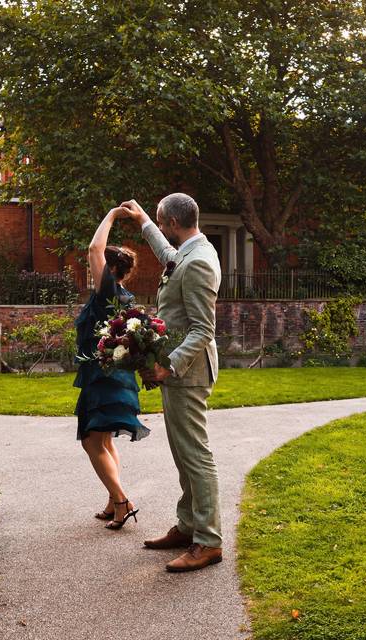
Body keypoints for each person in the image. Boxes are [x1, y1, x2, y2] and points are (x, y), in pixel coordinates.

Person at [120, 194, 223, 573]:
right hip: (179, 374)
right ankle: (188, 526)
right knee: (183, 454)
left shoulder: (197, 263)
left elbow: (202, 329)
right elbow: (167, 253)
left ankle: (208, 541)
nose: (163, 231)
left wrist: (168, 368)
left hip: (188, 374)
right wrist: (145, 220)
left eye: (163, 224)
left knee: (195, 455)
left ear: (174, 223)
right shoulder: (189, 249)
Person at [73, 206, 148, 530]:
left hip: (104, 377)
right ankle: (112, 500)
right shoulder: (123, 297)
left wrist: (113, 215)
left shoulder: (108, 292)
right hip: (112, 376)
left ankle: (122, 501)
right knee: (104, 441)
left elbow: (94, 248)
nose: (93, 268)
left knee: (92, 440)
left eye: (101, 265)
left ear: (112, 267)